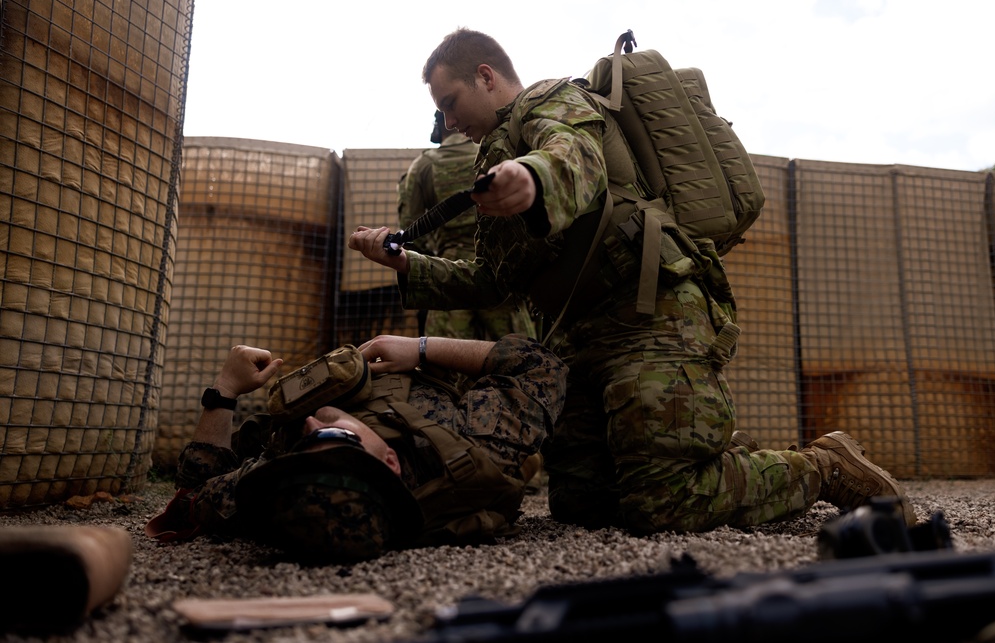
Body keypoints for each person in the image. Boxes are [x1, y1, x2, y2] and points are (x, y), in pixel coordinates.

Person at [347, 28, 917, 535]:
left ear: (486, 76)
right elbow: (493, 281)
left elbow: (575, 155)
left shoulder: (547, 101)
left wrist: (533, 178)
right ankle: (696, 448)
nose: (448, 123)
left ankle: (823, 466)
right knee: (583, 505)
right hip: (577, 340)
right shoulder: (490, 156)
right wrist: (406, 263)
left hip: (650, 317)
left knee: (663, 502)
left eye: (450, 103)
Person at [145, 333, 567, 562]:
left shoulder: (289, 490)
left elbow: (193, 496)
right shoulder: (467, 445)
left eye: (301, 448)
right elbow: (542, 366)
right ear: (390, 462)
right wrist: (420, 347)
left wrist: (225, 390)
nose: (311, 424)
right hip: (430, 381)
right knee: (524, 461)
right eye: (334, 439)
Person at [398, 110, 536, 341]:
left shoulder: (422, 165)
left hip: (448, 272)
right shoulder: (493, 155)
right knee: (520, 353)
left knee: (444, 356)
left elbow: (409, 229)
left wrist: (433, 256)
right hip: (498, 269)